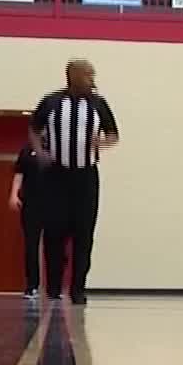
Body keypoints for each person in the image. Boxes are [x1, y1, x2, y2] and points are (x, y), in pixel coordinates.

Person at [29, 58, 119, 305]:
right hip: (56, 176)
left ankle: (78, 288)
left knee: (84, 234)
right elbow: (34, 129)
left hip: (86, 176)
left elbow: (113, 134)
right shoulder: (51, 102)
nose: (93, 80)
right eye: (89, 75)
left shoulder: (99, 104)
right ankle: (54, 288)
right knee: (54, 231)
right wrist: (41, 152)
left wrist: (99, 143)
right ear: (74, 75)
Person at [9, 142, 44, 298]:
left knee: (56, 244)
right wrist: (14, 194)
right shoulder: (27, 150)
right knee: (31, 244)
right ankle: (32, 285)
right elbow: (19, 174)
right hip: (31, 202)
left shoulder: (59, 146)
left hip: (54, 202)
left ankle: (54, 287)